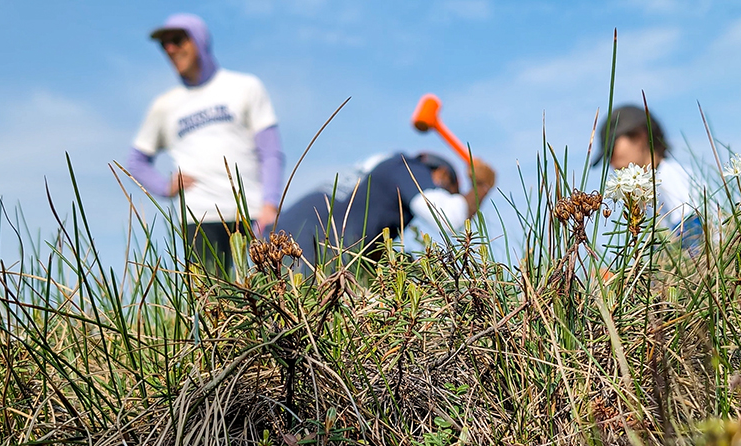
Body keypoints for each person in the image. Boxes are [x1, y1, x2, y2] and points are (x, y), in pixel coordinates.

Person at [126, 13, 285, 276]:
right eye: (164, 45)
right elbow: (135, 162)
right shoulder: (164, 106)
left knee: (268, 290)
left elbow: (270, 151)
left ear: (199, 40)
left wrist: (270, 203)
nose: (170, 49)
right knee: (213, 300)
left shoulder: (245, 87)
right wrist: (165, 186)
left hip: (252, 212)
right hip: (197, 217)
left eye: (177, 40)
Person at [265, 152, 494, 269]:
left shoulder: (374, 177)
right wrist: (481, 186)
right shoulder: (408, 167)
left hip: (273, 244)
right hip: (303, 253)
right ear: (441, 175)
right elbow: (448, 217)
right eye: (450, 192)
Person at [593, 105, 704, 253]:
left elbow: (695, 243)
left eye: (611, 149)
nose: (611, 161)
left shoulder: (670, 178)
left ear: (640, 136)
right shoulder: (655, 187)